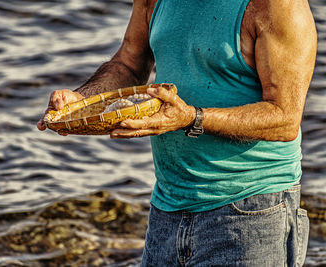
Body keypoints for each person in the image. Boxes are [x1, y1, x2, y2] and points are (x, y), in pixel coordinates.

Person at [37, 0, 317, 265]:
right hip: (167, 206)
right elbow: (129, 63)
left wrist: (191, 118)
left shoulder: (275, 5)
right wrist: (81, 101)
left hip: (252, 209)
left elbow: (284, 118)